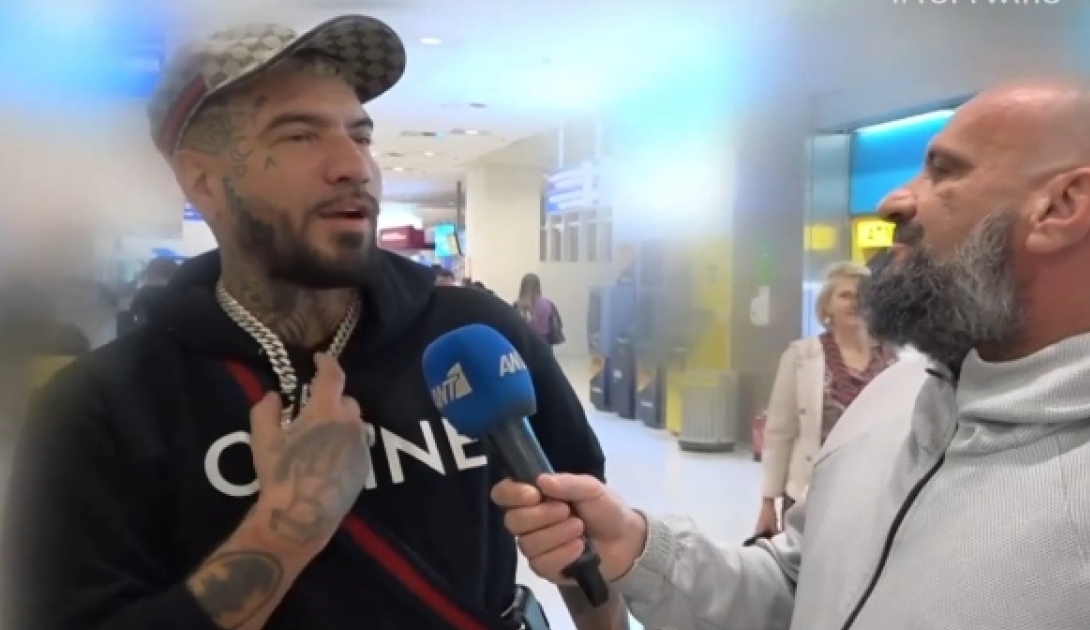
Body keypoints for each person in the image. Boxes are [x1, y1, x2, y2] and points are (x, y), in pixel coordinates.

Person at [492, 80, 1090, 629]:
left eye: (944, 172)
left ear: (1062, 207)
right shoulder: (897, 396)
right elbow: (800, 588)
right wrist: (641, 550)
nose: (894, 201)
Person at [2, 17, 627, 630]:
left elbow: (582, 544)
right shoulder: (105, 406)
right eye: (299, 135)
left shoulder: (474, 336)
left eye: (360, 136)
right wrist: (284, 531)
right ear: (203, 181)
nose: (353, 166)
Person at [755, 261, 896, 536]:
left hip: (874, 494)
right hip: (810, 492)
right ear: (827, 305)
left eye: (862, 296)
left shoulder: (892, 357)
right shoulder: (801, 356)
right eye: (845, 295)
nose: (855, 303)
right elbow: (780, 432)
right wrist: (768, 502)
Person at [515, 273, 564, 347]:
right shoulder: (548, 304)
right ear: (538, 286)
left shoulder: (517, 306)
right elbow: (558, 324)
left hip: (524, 345)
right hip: (544, 343)